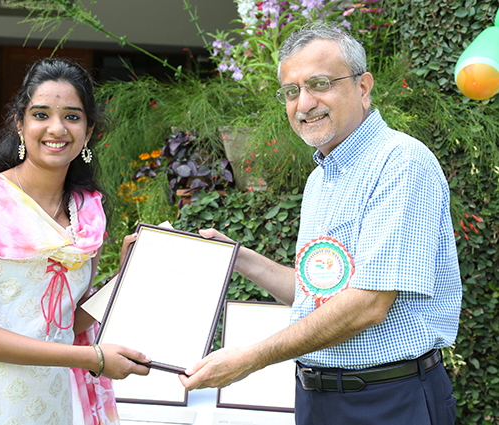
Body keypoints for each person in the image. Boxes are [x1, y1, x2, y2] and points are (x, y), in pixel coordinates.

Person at [180, 22, 462, 425]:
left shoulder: (400, 164)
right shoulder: (321, 178)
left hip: (388, 401)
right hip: (318, 401)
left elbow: (367, 304)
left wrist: (250, 358)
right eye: (292, 92)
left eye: (320, 84)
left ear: (363, 88)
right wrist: (237, 257)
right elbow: (317, 294)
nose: (304, 103)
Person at [0, 57, 150, 425]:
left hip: (52, 404)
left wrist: (124, 276)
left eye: (72, 116)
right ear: (20, 124)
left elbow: (69, 321)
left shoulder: (87, 213)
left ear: (89, 130)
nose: (57, 128)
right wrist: (92, 359)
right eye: (41, 114)